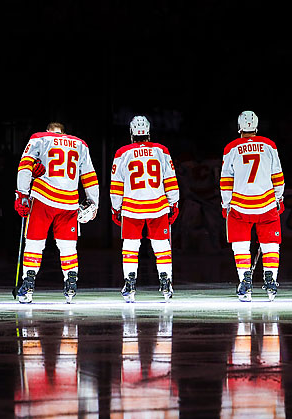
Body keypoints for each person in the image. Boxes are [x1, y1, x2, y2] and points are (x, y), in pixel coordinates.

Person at [14, 122, 99, 303]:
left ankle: (28, 284)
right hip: (69, 202)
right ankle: (71, 283)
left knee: (34, 242)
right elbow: (89, 175)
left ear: (48, 131)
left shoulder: (40, 138)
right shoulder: (80, 144)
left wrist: (21, 193)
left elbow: (25, 166)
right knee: (68, 246)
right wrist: (94, 203)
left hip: (43, 197)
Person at [109, 116, 180, 302]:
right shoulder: (161, 150)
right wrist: (174, 202)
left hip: (132, 206)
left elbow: (116, 183)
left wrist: (116, 207)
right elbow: (170, 179)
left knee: (130, 246)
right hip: (158, 205)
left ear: (131, 132)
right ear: (149, 131)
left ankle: (129, 282)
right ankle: (166, 281)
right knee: (162, 245)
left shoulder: (122, 152)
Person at [220, 110, 285, 301]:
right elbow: (278, 176)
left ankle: (244, 280)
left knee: (240, 246)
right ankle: (270, 280)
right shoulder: (269, 145)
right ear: (256, 126)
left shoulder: (231, 148)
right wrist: (278, 199)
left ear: (239, 127)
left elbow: (226, 180)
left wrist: (226, 204)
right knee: (271, 245)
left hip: (240, 205)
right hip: (266, 204)